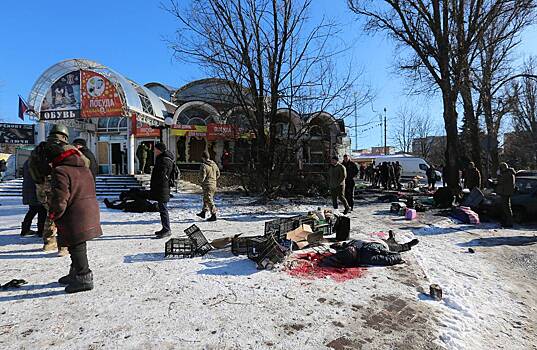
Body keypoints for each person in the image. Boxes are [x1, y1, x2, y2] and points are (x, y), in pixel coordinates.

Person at [46, 142, 102, 293]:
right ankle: (75, 273)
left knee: (76, 245)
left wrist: (53, 213)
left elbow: (60, 198)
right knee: (76, 244)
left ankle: (84, 277)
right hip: (88, 210)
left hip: (74, 213)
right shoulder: (84, 168)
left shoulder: (60, 171)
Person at [29, 125, 89, 256]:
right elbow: (85, 163)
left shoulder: (39, 149)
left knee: (51, 213)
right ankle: (63, 246)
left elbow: (31, 168)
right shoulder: (67, 148)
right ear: (65, 136)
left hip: (42, 188)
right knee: (63, 215)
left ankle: (49, 242)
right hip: (60, 186)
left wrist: (40, 183)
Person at [150, 142, 174, 238]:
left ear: (159, 150)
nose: (154, 151)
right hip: (162, 188)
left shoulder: (164, 160)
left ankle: (167, 229)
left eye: (155, 149)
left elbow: (162, 176)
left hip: (162, 188)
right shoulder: (163, 159)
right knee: (162, 209)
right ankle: (165, 228)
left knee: (163, 209)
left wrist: (156, 184)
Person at [21, 160, 46, 237]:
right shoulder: (38, 162)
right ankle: (40, 231)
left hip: (28, 188)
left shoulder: (27, 162)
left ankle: (25, 229)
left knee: (33, 210)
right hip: (36, 189)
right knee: (42, 210)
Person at [197, 151, 221, 221]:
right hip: (213, 184)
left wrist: (200, 181)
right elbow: (218, 174)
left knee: (209, 199)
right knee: (206, 198)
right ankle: (203, 212)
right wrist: (214, 179)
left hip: (207, 184)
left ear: (203, 158)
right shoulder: (214, 164)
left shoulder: (204, 165)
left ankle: (213, 215)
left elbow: (203, 176)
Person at [495, 162, 516, 228]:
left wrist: (498, 175)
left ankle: (509, 222)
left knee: (506, 208)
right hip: (505, 192)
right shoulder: (508, 173)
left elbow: (501, 181)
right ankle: (507, 221)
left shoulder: (507, 174)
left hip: (505, 192)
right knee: (505, 208)